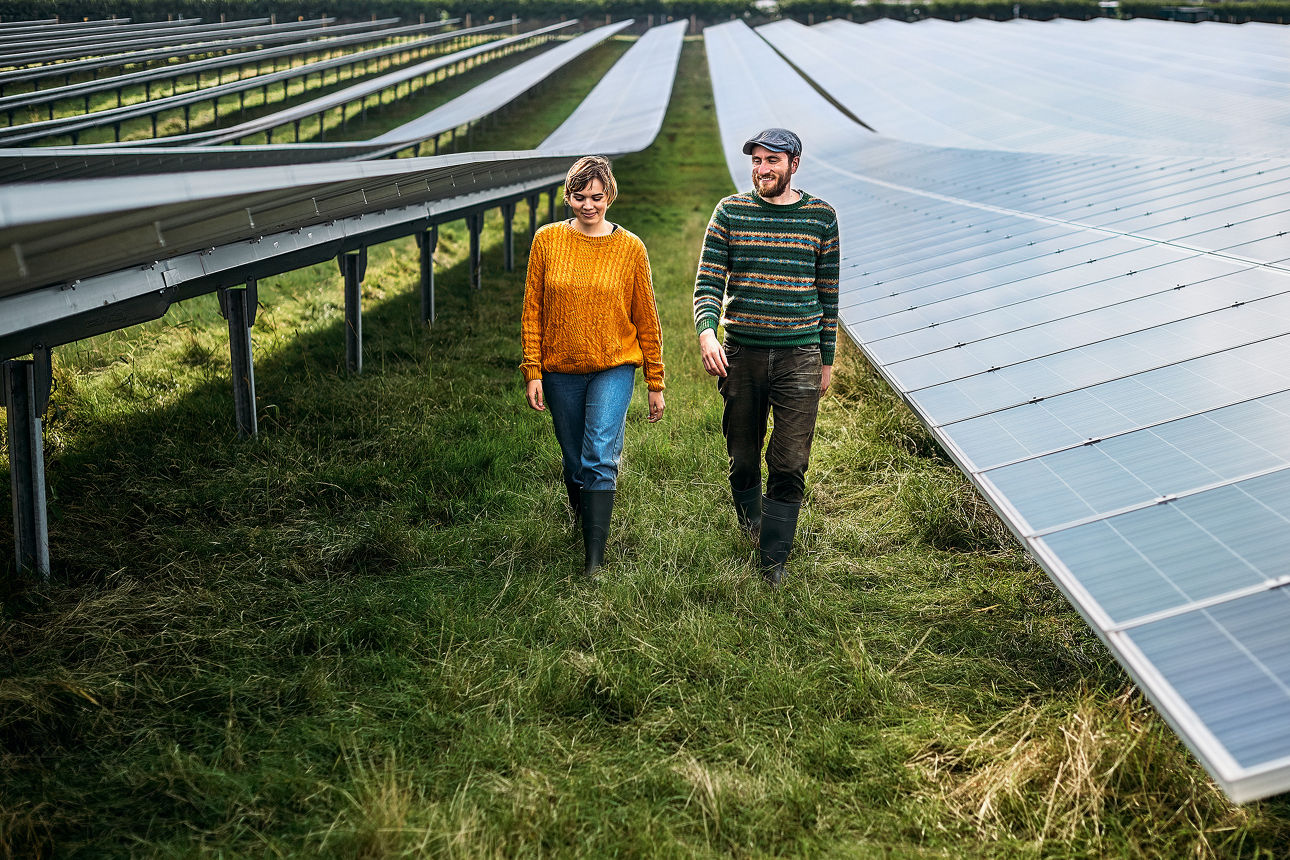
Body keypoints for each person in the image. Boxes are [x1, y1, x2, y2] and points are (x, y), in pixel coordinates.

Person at [693, 128, 839, 587]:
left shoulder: (821, 218)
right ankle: (753, 526)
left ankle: (773, 562)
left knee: (791, 460)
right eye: (756, 161)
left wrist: (827, 359)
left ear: (794, 163)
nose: (762, 169)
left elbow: (829, 294)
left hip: (800, 354)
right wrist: (707, 332)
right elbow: (708, 282)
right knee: (742, 456)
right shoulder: (730, 212)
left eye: (771, 160)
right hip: (741, 354)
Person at [521, 155, 666, 579]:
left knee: (600, 453)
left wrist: (655, 380)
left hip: (614, 365)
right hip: (559, 368)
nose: (589, 205)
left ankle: (594, 560)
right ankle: (583, 521)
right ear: (568, 197)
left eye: (597, 197)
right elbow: (533, 310)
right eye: (580, 197)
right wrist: (533, 369)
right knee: (574, 461)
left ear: (610, 195)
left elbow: (647, 316)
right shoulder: (546, 241)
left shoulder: (630, 248)